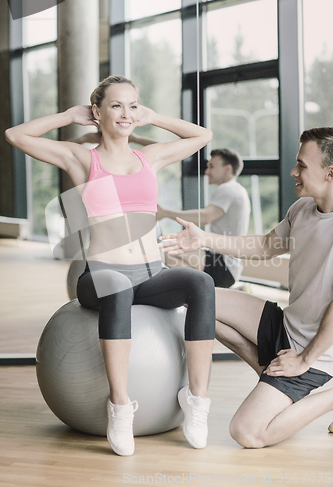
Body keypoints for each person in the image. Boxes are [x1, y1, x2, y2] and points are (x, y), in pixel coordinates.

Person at [5, 75, 216, 456]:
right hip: (100, 275)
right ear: (97, 112)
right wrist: (68, 115)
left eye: (132, 105)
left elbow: (202, 135)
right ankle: (120, 407)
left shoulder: (148, 156)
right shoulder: (81, 157)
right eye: (116, 105)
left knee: (200, 284)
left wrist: (153, 117)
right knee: (116, 285)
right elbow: (15, 134)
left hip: (153, 274)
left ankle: (196, 401)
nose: (126, 113)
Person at [160, 127, 333, 448]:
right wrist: (204, 238)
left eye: (302, 166)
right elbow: (266, 245)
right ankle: (273, 375)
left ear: (329, 172)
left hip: (321, 353)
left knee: (247, 432)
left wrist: (306, 359)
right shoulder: (303, 209)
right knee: (199, 299)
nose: (293, 172)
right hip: (288, 325)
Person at [157, 148, 251, 288]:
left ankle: (199, 293)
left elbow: (206, 216)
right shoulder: (238, 190)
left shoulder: (228, 188)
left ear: (227, 169)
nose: (207, 172)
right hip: (226, 264)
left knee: (165, 250)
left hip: (222, 264)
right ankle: (199, 294)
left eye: (211, 167)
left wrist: (165, 213)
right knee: (171, 254)